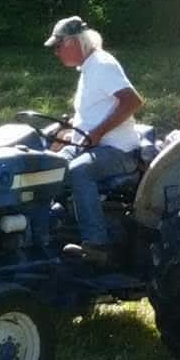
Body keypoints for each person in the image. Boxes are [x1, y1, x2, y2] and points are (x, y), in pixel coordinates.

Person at [44, 16, 144, 265]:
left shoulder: (102, 64)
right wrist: (70, 134)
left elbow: (132, 101)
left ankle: (97, 244)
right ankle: (48, 230)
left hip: (118, 150)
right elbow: (93, 112)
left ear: (75, 42)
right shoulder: (88, 69)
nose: (56, 52)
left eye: (59, 46)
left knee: (80, 171)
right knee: (48, 166)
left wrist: (97, 133)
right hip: (89, 146)